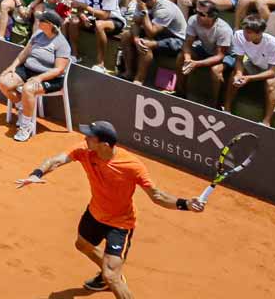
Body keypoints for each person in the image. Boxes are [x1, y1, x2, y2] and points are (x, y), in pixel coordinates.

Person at [14, 120, 204, 298]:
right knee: (82, 245)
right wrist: (36, 174)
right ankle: (107, 274)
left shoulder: (131, 166)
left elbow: (157, 196)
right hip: (95, 213)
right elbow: (56, 160)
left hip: (120, 224)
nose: (84, 138)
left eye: (90, 137)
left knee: (112, 276)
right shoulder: (83, 151)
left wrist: (185, 204)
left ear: (104, 144)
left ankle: (110, 276)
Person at [0, 9, 73, 141]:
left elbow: (59, 70)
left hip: (50, 77)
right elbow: (24, 54)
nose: (38, 21)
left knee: (28, 89)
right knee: (3, 82)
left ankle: (26, 125)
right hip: (28, 70)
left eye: (41, 20)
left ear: (50, 25)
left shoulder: (62, 44)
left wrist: (39, 78)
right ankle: (23, 105)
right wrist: (13, 66)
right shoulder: (38, 34)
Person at [118, 0, 186, 88]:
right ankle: (129, 73)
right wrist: (135, 38)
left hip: (176, 39)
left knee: (145, 43)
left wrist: (144, 11)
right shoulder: (141, 2)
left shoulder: (164, 9)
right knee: (126, 35)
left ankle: (139, 80)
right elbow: (135, 23)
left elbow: (151, 33)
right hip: (158, 34)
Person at [225, 16, 275, 126]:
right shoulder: (239, 35)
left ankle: (266, 121)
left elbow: (271, 72)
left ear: (259, 33)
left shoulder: (273, 43)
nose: (245, 34)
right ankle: (226, 110)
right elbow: (239, 60)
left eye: (249, 32)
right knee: (234, 75)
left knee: (270, 84)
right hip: (255, 64)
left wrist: (248, 78)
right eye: (245, 31)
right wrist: (239, 74)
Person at [66, 0, 126, 70]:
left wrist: (85, 7)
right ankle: (74, 55)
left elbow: (105, 15)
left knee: (99, 25)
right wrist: (83, 17)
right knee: (73, 21)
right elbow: (80, 8)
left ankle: (100, 63)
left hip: (113, 20)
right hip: (93, 17)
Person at [178, 0, 237, 103]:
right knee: (181, 57)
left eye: (201, 14)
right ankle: (180, 93)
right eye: (196, 11)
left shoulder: (224, 30)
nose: (197, 15)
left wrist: (196, 64)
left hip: (228, 55)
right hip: (206, 49)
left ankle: (215, 103)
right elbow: (187, 44)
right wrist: (188, 59)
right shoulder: (193, 20)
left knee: (215, 70)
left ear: (211, 16)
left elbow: (220, 56)